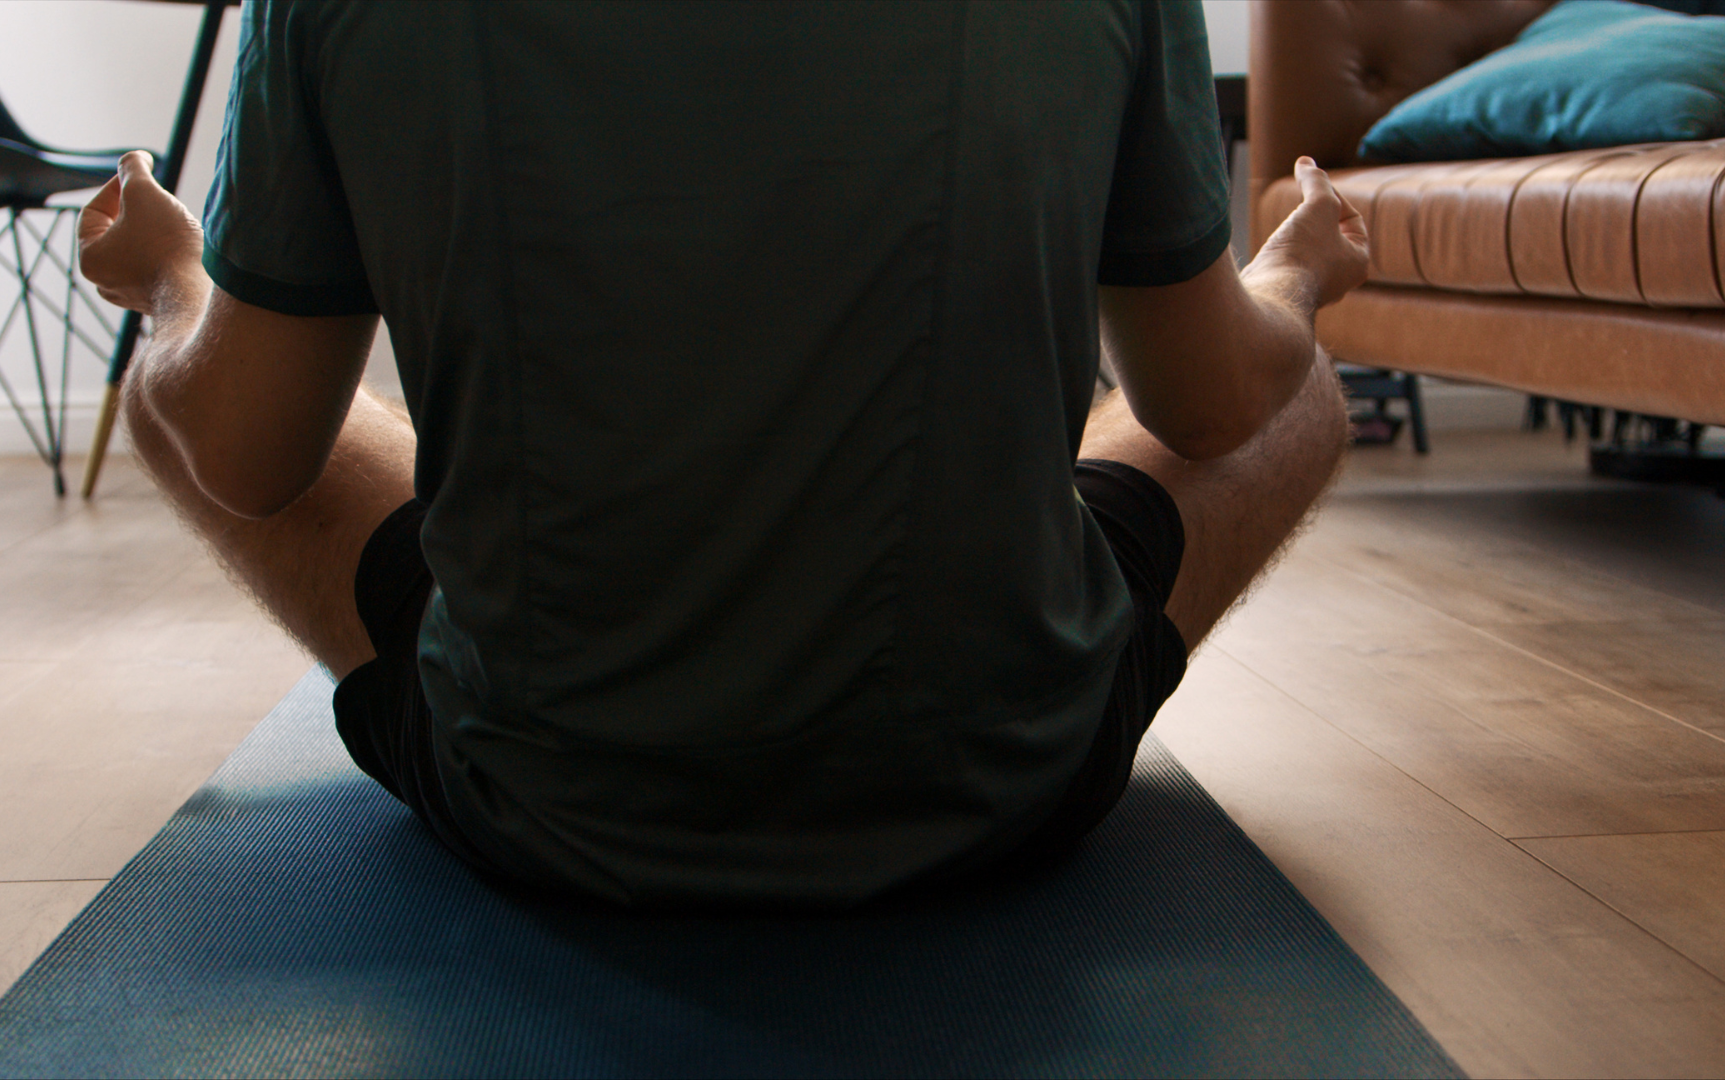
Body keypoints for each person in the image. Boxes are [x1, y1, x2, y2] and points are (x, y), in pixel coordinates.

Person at [77, 1, 1367, 909]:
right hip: (1007, 780)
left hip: (538, 798)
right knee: (1294, 387)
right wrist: (1298, 269)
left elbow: (247, 454)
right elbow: (1208, 407)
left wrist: (175, 278)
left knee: (174, 389)